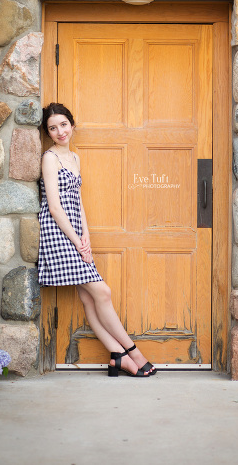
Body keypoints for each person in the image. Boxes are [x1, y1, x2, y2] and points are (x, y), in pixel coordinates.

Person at [37, 102, 156, 378]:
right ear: (48, 132)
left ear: (72, 125)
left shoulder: (75, 159)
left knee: (90, 301)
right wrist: (76, 241)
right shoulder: (50, 158)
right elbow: (55, 206)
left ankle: (117, 356)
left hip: (76, 231)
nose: (60, 131)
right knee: (102, 292)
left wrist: (86, 235)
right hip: (57, 232)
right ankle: (133, 352)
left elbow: (77, 202)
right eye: (53, 128)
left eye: (63, 125)